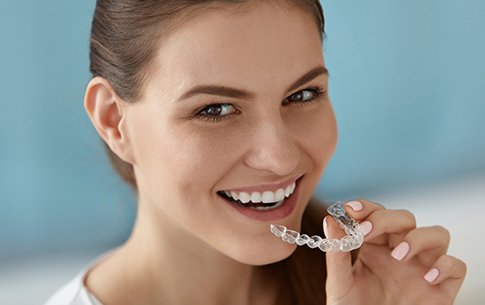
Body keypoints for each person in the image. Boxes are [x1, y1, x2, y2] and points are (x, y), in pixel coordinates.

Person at [44, 1, 467, 304]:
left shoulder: (370, 288)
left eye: (302, 95)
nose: (281, 158)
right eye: (215, 109)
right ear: (113, 121)